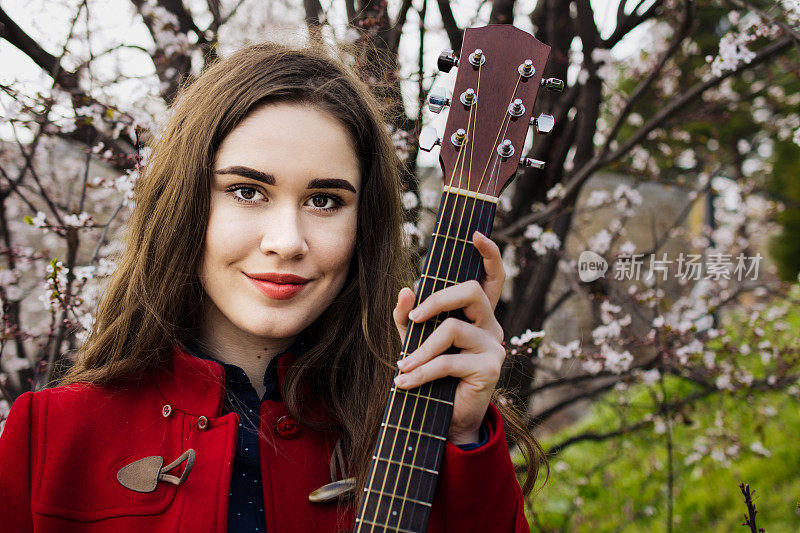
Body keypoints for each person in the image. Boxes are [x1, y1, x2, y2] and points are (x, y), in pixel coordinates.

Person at [0, 41, 545, 532]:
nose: (287, 242)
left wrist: (460, 440)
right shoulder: (48, 435)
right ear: (185, 203)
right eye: (246, 191)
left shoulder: (422, 441)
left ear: (365, 226)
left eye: (325, 200)